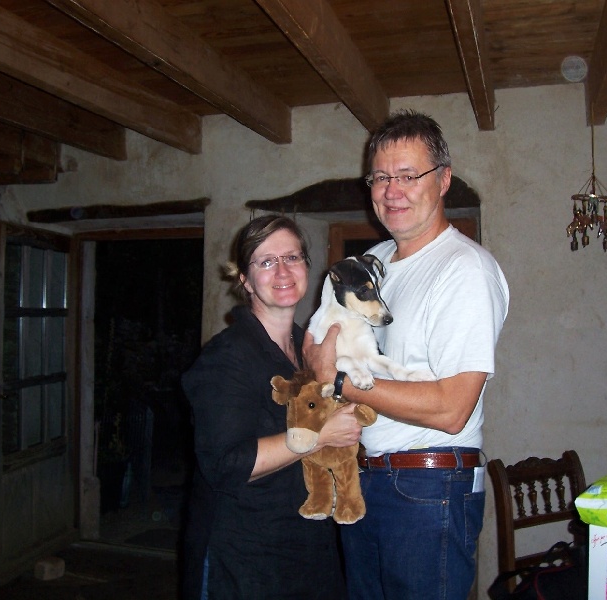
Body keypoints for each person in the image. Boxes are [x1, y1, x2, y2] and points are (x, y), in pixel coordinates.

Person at [304, 110, 509, 600]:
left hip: (428, 488)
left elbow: (452, 410)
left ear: (443, 180)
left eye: (407, 175)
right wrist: (316, 358)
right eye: (380, 177)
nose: (391, 191)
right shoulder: (373, 262)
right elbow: (319, 341)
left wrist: (339, 382)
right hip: (366, 476)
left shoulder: (464, 270)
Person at [181, 215, 361, 600]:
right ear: (245, 280)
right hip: (245, 556)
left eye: (292, 257)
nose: (282, 271)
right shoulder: (226, 357)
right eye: (266, 261)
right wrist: (319, 436)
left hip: (308, 545)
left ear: (307, 267)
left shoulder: (307, 349)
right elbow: (226, 464)